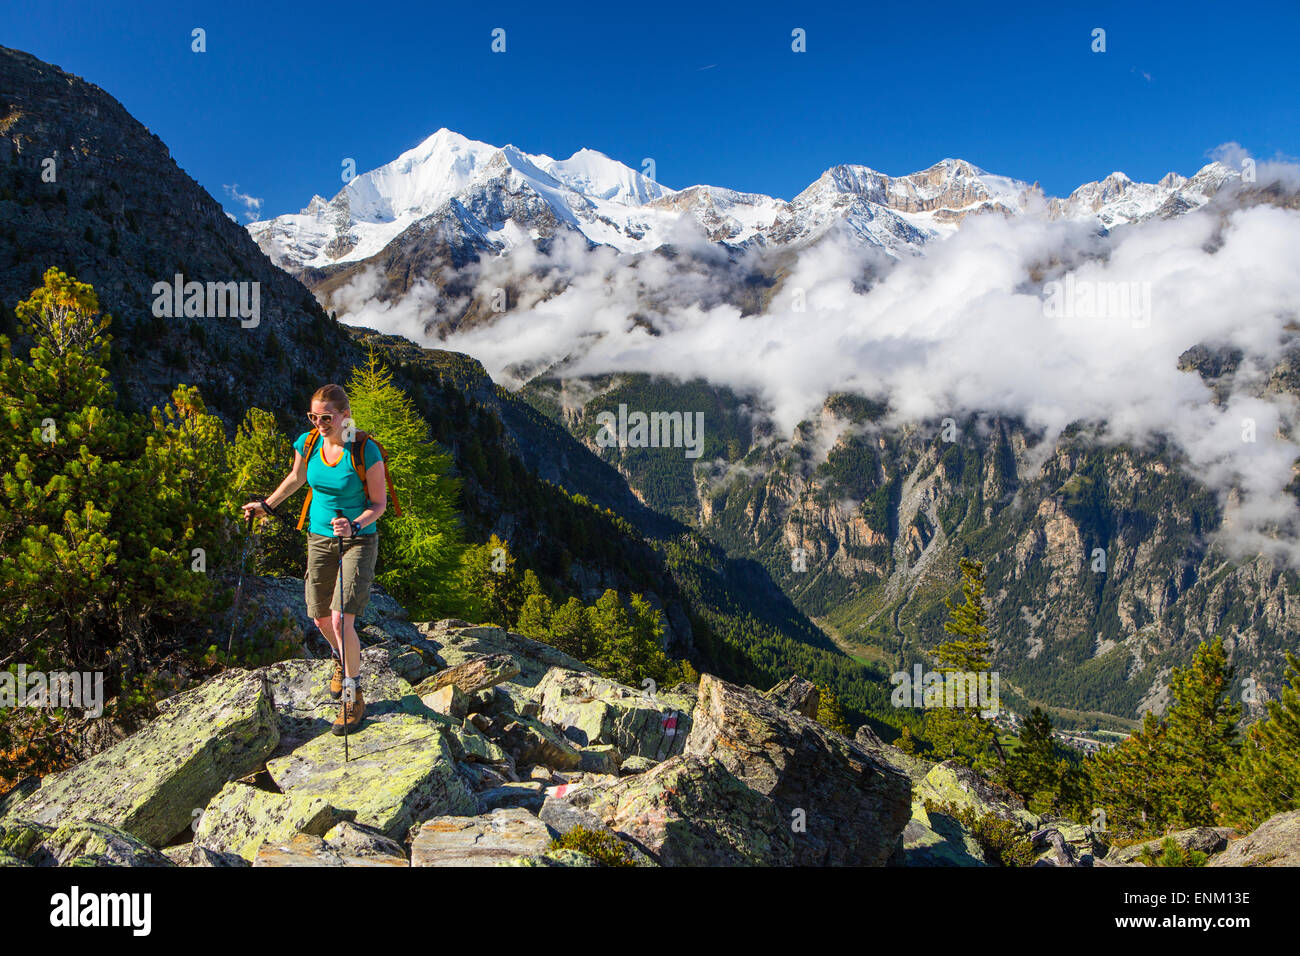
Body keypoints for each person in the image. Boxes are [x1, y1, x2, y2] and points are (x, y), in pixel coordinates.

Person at [241, 384, 385, 735]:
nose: (319, 423)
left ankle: (353, 694)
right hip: (319, 536)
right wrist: (267, 506)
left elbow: (378, 505)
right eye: (314, 416)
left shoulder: (366, 450)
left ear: (344, 416)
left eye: (327, 417)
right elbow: (297, 478)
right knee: (320, 619)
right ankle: (341, 659)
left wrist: (354, 524)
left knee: (340, 620)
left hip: (358, 540)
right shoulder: (308, 443)